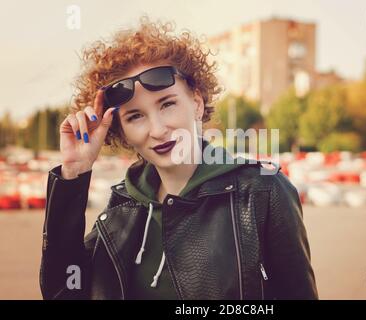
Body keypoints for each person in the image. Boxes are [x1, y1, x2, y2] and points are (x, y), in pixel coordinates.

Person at [39, 16, 318, 300]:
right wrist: (74, 171)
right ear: (121, 132)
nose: (158, 130)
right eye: (135, 116)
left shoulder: (262, 192)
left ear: (196, 104)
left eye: (167, 104)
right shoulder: (123, 207)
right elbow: (63, 293)